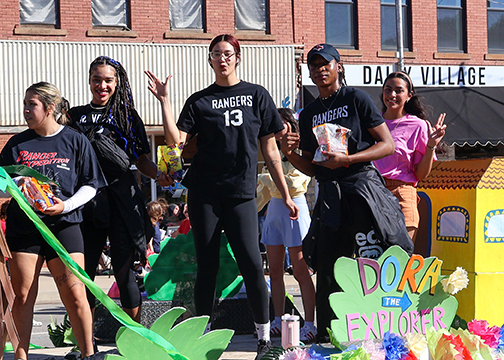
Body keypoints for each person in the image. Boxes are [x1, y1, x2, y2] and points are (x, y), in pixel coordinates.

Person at [145, 34, 299, 359]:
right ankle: (203, 339)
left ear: (237, 57)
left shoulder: (257, 95)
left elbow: (270, 151)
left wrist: (285, 194)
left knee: (252, 266)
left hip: (241, 194)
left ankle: (263, 341)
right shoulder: (200, 100)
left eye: (227, 53)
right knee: (207, 267)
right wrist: (165, 101)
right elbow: (175, 142)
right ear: (210, 59)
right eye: (216, 54)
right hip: (204, 195)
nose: (222, 58)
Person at [281, 44, 414, 342]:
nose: (319, 69)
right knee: (329, 267)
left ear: (338, 66)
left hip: (362, 188)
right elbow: (313, 167)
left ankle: (384, 333)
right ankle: (331, 336)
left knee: (372, 260)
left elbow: (387, 145)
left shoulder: (356, 99)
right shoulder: (309, 113)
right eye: (313, 65)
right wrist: (290, 153)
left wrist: (349, 160)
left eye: (324, 63)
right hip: (330, 195)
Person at [0, 82, 106, 360]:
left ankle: (88, 354)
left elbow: (91, 185)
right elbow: (1, 186)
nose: (25, 110)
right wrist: (13, 184)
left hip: (65, 224)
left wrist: (64, 206)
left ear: (49, 108)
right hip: (25, 228)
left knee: (74, 292)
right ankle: (20, 356)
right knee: (22, 295)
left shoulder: (74, 140)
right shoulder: (16, 144)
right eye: (24, 104)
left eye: (31, 104)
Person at [68, 56, 171, 323]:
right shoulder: (74, 117)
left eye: (108, 80)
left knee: (124, 274)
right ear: (89, 80)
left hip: (123, 203)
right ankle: (85, 345)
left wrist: (160, 175)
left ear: (118, 82)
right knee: (84, 274)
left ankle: (134, 338)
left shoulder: (127, 117)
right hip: (86, 203)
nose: (102, 85)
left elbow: (141, 161)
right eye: (96, 79)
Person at [257, 108, 317, 342]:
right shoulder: (268, 148)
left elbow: (298, 180)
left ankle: (310, 322)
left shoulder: (299, 149)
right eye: (274, 125)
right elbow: (265, 185)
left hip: (296, 208)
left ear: (291, 124)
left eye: (282, 124)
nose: (279, 129)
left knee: (301, 270)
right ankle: (279, 319)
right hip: (273, 209)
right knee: (275, 270)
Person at [374, 71, 447, 242]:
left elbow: (420, 175)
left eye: (398, 90)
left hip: (403, 195)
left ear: (409, 95)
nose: (392, 95)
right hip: (373, 193)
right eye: (387, 89)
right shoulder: (372, 123)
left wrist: (431, 145)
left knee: (401, 258)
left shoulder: (418, 125)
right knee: (372, 259)